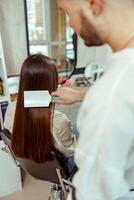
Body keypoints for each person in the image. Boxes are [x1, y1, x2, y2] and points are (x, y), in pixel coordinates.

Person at [52, 0, 134, 199]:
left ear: (94, 5)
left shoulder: (109, 95)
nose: (70, 23)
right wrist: (81, 96)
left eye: (68, 12)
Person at [4, 54, 77, 172]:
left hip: (31, 164)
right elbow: (69, 152)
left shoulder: (11, 108)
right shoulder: (59, 121)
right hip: (59, 168)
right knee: (80, 129)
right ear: (52, 83)